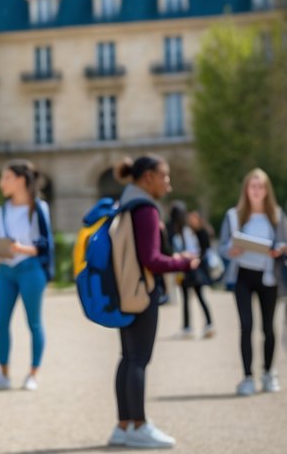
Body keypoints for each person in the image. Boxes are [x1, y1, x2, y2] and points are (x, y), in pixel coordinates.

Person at [105, 156, 198, 449]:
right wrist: (183, 262)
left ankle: (123, 426)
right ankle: (140, 426)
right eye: (164, 176)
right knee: (138, 360)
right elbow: (152, 260)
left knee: (127, 357)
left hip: (124, 290)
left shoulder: (126, 203)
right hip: (142, 292)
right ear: (148, 177)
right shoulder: (145, 209)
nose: (168, 184)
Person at [0, 160, 53, 393]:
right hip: (6, 271)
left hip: (31, 269)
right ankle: (2, 373)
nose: (1, 183)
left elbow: (45, 247)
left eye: (6, 177)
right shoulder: (0, 211)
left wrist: (20, 249)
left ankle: (33, 373)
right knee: (1, 323)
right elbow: (4, 242)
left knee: (34, 323)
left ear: (21, 180)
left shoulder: (39, 208)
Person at [219, 168, 285, 396]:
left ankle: (268, 373)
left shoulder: (277, 216)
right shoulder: (233, 215)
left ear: (267, 190)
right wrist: (231, 249)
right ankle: (247, 377)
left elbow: (283, 244)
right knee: (246, 326)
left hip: (268, 277)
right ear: (246, 189)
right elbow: (223, 247)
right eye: (253, 186)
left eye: (261, 186)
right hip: (243, 276)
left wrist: (280, 250)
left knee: (268, 327)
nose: (257, 191)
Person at [168, 203, 213, 339]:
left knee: (198, 297)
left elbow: (198, 248)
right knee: (188, 299)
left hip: (192, 268)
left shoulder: (189, 231)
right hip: (183, 268)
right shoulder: (177, 232)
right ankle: (188, 327)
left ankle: (208, 324)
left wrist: (192, 257)